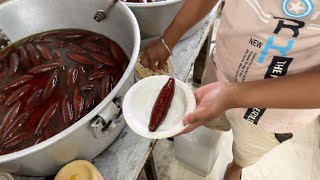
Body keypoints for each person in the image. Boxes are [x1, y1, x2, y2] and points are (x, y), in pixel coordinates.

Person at [141, 0, 320, 180]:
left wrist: (232, 96)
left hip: (278, 107)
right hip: (222, 68)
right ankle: (212, 133)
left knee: (247, 150)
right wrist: (168, 40)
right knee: (210, 121)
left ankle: (235, 167)